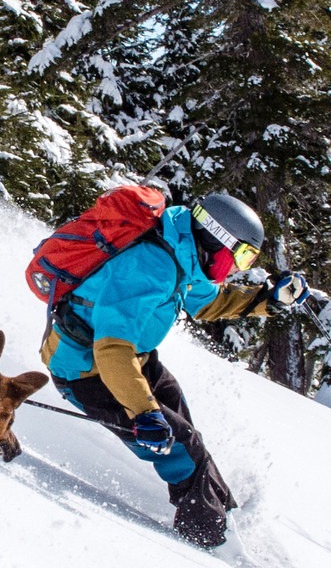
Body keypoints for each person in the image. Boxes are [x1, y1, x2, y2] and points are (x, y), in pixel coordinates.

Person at [40, 191, 310, 548]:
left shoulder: (185, 254)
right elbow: (111, 347)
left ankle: (225, 523)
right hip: (88, 370)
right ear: (217, 237)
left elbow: (207, 304)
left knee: (186, 435)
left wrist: (268, 300)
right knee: (179, 445)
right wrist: (144, 412)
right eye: (243, 255)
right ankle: (206, 542)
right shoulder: (150, 264)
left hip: (135, 359)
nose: (241, 267)